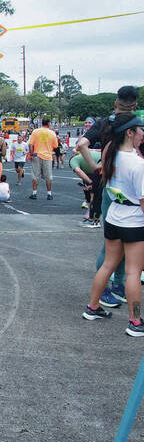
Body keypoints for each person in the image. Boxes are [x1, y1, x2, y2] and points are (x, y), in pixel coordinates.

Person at [77, 86, 140, 309]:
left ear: (115, 102)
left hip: (109, 186)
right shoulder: (136, 124)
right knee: (127, 245)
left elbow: (82, 144)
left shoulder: (105, 122)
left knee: (113, 243)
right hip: (133, 189)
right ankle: (116, 289)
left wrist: (96, 167)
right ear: (135, 105)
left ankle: (108, 291)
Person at [84, 114, 144, 337]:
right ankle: (136, 321)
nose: (142, 133)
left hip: (114, 218)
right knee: (133, 273)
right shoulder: (138, 164)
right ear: (130, 132)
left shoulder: (111, 154)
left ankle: (92, 307)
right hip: (134, 222)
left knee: (107, 265)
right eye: (140, 129)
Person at [28, 117, 59, 200]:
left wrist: (31, 154)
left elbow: (30, 144)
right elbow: (55, 146)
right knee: (48, 176)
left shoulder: (35, 131)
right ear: (48, 123)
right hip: (47, 156)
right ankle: (49, 194)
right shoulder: (52, 133)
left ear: (42, 123)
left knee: (35, 175)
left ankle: (34, 193)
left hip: (36, 155)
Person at [70, 149, 102, 228]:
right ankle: (94, 218)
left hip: (101, 165)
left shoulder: (73, 160)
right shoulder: (83, 159)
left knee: (95, 196)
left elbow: (78, 171)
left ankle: (94, 220)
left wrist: (91, 183)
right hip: (104, 162)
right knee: (97, 194)